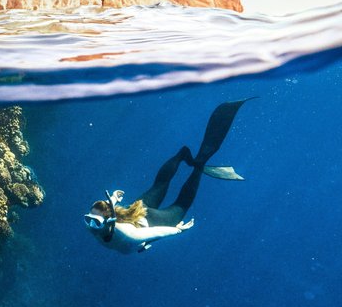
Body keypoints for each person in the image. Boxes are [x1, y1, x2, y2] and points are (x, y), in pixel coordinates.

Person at [84, 99, 250, 254]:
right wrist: (112, 199)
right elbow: (106, 212)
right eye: (88, 219)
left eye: (95, 222)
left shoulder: (129, 235)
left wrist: (177, 230)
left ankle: (199, 164)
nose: (91, 225)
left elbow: (157, 232)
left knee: (182, 204)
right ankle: (181, 155)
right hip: (135, 211)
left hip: (152, 222)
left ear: (108, 222)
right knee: (159, 185)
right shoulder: (97, 226)